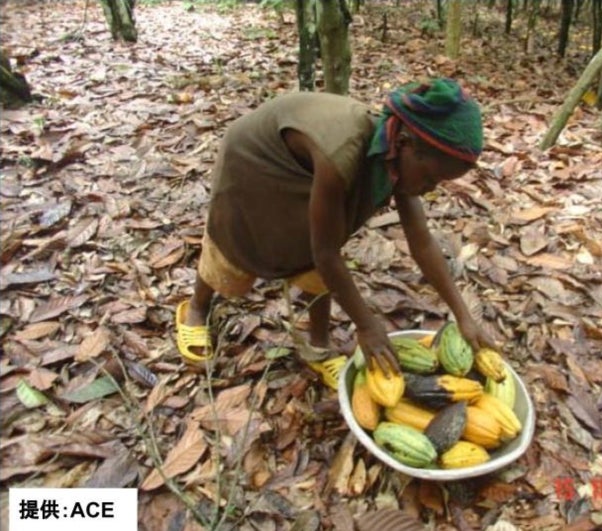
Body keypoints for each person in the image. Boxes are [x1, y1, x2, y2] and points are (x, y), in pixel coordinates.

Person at [175, 77, 497, 389]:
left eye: (437, 185)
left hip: (309, 167)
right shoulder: (343, 153)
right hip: (255, 155)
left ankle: (319, 344)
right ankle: (198, 307)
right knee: (236, 239)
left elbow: (422, 243)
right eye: (429, 178)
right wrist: (367, 325)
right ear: (404, 144)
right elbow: (326, 254)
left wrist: (463, 316)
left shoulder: (399, 153)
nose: (427, 190)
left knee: (312, 245)